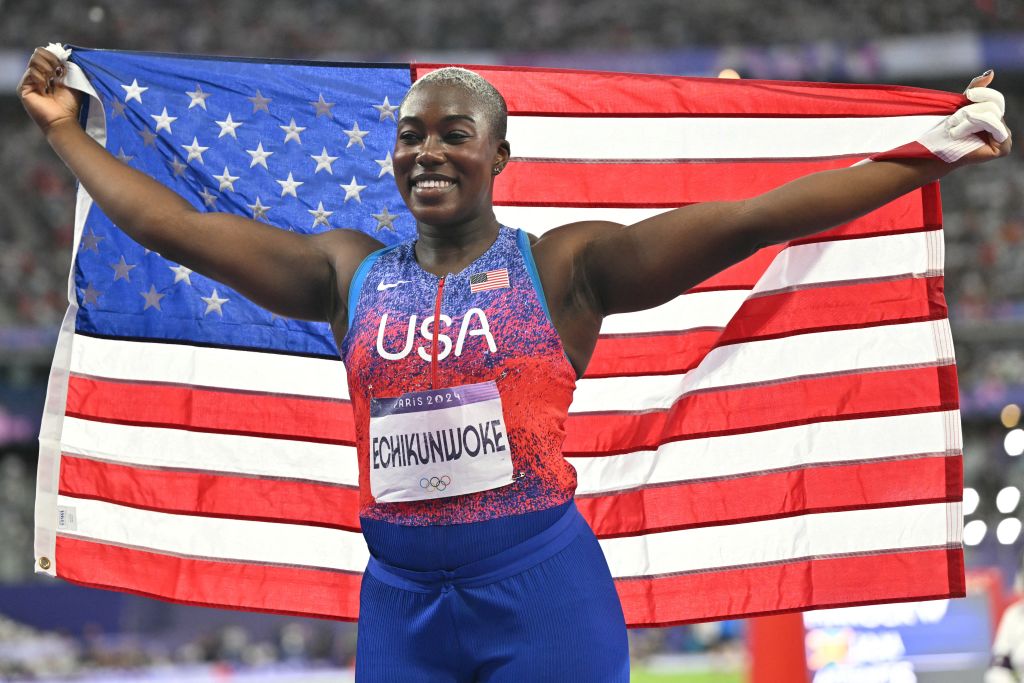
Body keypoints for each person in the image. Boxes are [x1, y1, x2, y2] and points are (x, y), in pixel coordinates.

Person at [19, 46, 1011, 682]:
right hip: (401, 603)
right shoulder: (342, 271)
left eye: (455, 134)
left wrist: (922, 154)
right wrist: (68, 133)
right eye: (411, 137)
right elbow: (173, 225)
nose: (428, 152)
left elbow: (748, 220)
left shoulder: (567, 268)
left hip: (541, 593)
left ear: (502, 154)